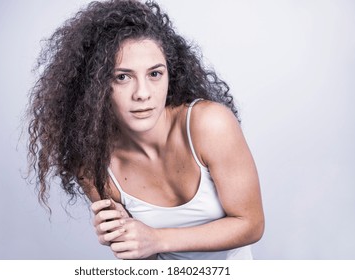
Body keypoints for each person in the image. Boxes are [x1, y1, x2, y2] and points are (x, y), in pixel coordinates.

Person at [26, 0, 264, 260]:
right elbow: (145, 258)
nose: (142, 94)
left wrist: (157, 238)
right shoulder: (93, 163)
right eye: (122, 77)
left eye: (154, 74)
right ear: (94, 89)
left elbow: (251, 224)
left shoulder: (210, 124)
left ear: (170, 74)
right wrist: (123, 238)